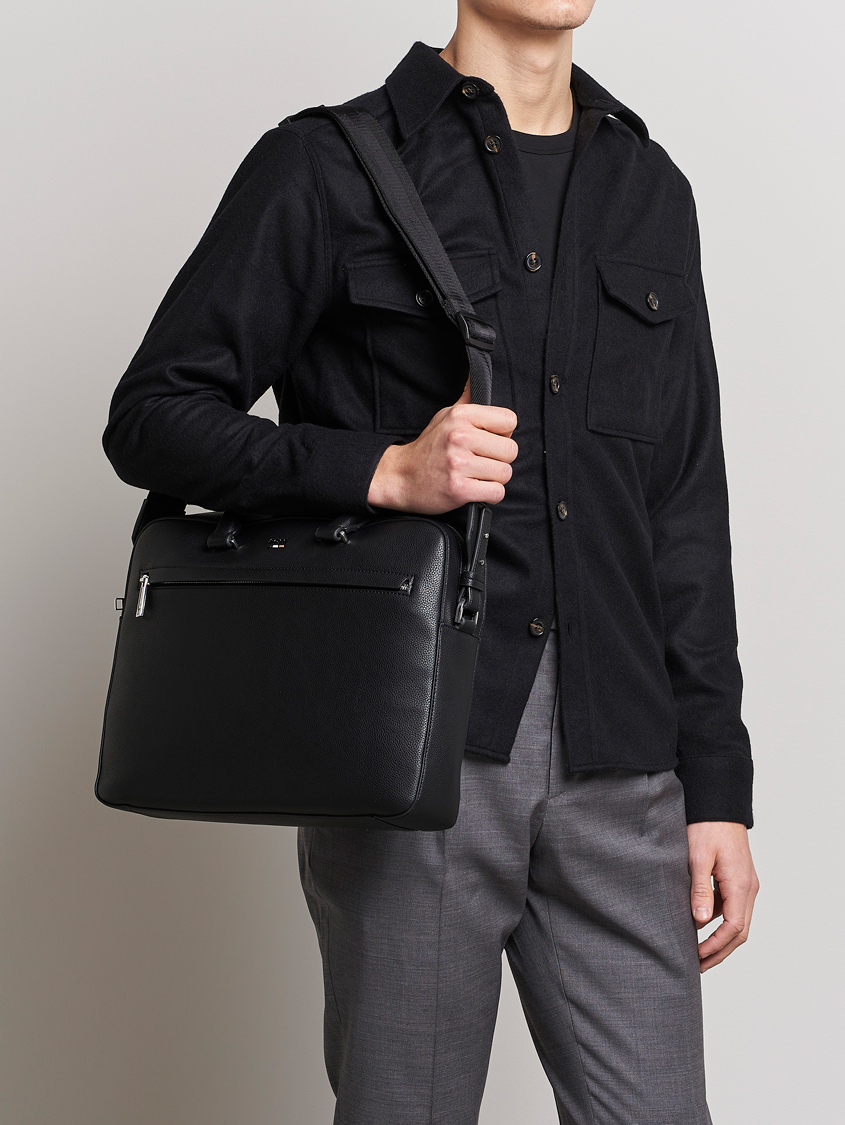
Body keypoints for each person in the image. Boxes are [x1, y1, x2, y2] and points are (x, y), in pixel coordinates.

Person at [103, 2, 759, 1121]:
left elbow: (686, 504)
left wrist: (719, 789)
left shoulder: (650, 188)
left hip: (625, 760)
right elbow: (152, 416)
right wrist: (383, 471)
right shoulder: (327, 164)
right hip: (417, 756)